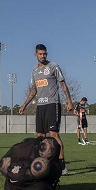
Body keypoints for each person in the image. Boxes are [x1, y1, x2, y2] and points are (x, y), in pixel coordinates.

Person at [18, 44, 73, 175]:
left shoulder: (53, 66)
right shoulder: (34, 71)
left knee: (53, 135)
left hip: (52, 104)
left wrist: (69, 101)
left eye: (45, 54)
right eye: (40, 54)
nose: (43, 56)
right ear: (35, 55)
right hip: (40, 106)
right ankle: (43, 165)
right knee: (40, 136)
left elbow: (63, 85)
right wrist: (24, 105)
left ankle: (62, 165)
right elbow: (33, 91)